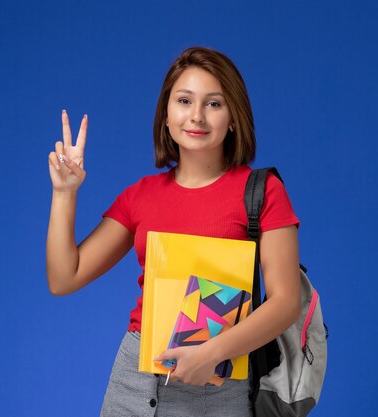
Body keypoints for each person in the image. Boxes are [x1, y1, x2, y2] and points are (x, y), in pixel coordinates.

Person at [46, 46, 302, 417]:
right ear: (166, 115)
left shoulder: (262, 192)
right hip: (134, 382)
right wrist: (64, 193)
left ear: (233, 118)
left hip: (217, 383)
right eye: (184, 100)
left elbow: (286, 303)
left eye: (214, 104)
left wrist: (210, 354)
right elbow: (63, 278)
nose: (196, 116)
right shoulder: (140, 196)